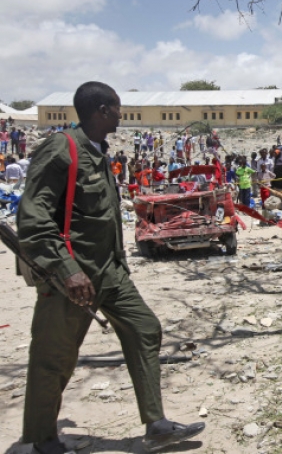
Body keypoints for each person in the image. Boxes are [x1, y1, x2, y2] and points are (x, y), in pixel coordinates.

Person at [16, 82, 205, 454]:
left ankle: (156, 424)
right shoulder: (62, 149)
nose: (122, 114)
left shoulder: (99, 152)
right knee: (54, 357)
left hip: (109, 272)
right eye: (118, 108)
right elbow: (33, 219)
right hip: (71, 276)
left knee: (144, 328)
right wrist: (68, 270)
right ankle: (39, 439)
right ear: (102, 110)